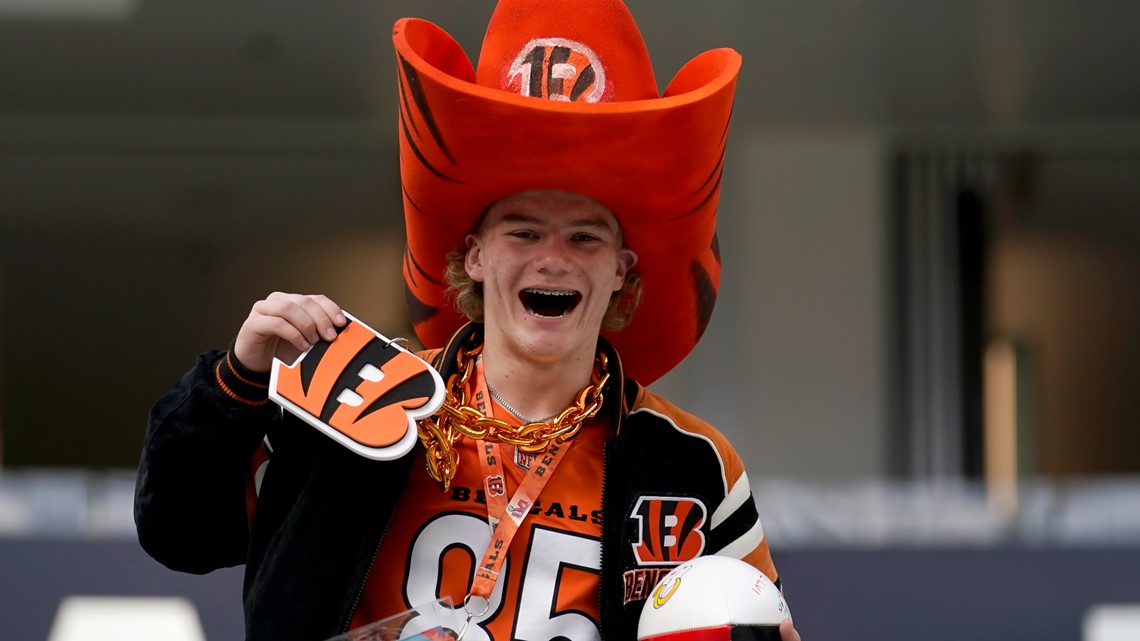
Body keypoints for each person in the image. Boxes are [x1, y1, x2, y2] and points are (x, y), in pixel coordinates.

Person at [135, 2, 802, 641]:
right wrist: (236, 382)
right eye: (523, 231)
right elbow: (180, 530)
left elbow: (745, 618)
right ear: (473, 256)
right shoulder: (353, 394)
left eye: (585, 238)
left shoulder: (692, 462)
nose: (553, 259)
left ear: (622, 271)